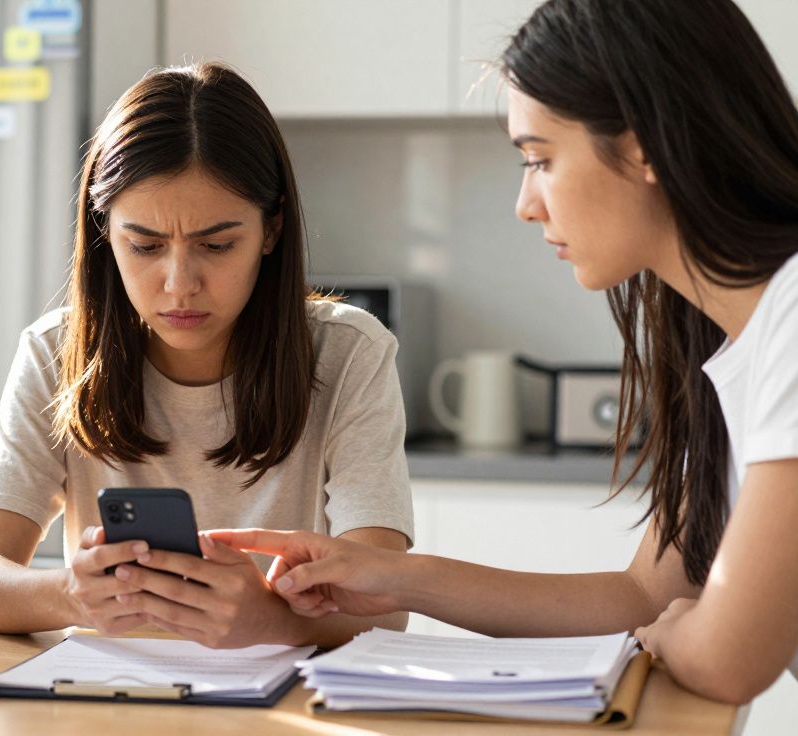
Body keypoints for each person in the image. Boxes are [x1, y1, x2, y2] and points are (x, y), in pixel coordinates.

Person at [213, 0, 798, 704]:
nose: (526, 203)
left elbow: (726, 659)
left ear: (642, 144)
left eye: (541, 159)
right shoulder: (737, 340)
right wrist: (391, 576)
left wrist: (681, 632)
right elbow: (645, 595)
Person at [0, 62, 414, 649]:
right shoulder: (56, 353)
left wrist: (269, 621)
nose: (179, 284)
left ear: (271, 230)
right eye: (144, 245)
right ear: (104, 233)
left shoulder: (348, 353)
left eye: (217, 245)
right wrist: (71, 595)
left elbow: (385, 605)